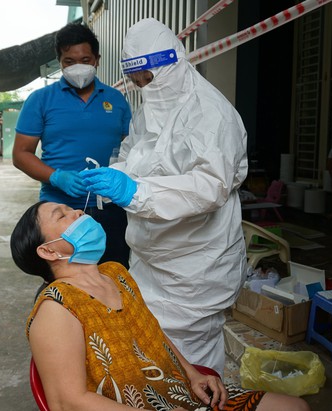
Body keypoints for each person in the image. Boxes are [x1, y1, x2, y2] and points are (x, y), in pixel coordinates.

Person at [10, 201, 311, 411]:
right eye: (61, 216)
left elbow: (150, 333)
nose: (76, 211)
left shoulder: (115, 273)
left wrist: (193, 374)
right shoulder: (56, 309)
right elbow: (67, 403)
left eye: (69, 208)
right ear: (48, 251)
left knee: (294, 406)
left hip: (175, 393)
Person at [77, 18, 249, 377]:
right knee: (156, 354)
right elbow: (136, 153)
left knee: (191, 365)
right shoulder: (151, 107)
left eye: (148, 78)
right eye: (137, 81)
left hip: (195, 268)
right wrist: (115, 174)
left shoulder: (211, 113)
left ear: (172, 64)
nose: (144, 87)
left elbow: (210, 186)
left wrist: (135, 192)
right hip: (151, 259)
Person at [13, 22, 132, 269]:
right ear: (60, 62)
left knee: (115, 271)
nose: (78, 67)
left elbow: (131, 150)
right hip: (61, 211)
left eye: (85, 59)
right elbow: (21, 154)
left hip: (111, 207)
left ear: (97, 59)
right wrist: (56, 177)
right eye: (69, 61)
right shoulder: (41, 100)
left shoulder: (116, 100)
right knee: (65, 275)